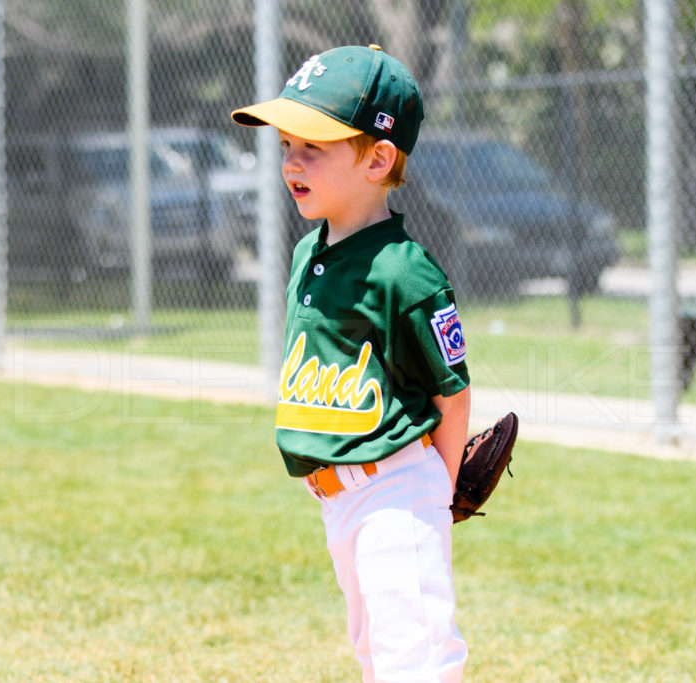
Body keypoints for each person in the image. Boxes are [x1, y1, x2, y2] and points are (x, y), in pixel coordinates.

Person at [231, 44, 471, 681]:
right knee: (375, 657)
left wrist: (438, 495)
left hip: (396, 490)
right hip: (336, 498)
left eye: (314, 146)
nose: (292, 162)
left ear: (379, 158)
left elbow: (451, 394)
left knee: (414, 662)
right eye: (287, 145)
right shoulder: (308, 249)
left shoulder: (404, 271)